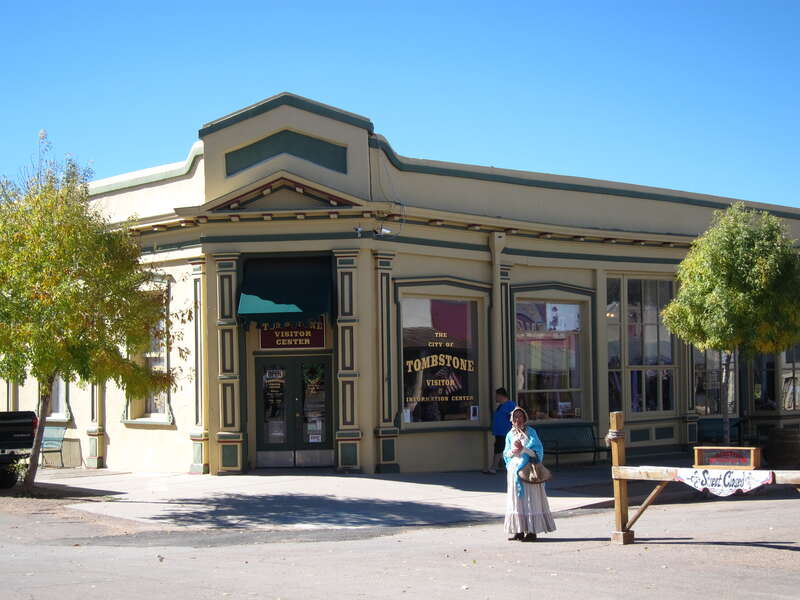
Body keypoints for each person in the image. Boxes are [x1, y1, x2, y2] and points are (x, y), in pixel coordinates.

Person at [503, 406, 556, 541]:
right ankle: (519, 530)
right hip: (514, 472)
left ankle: (532, 532)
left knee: (530, 500)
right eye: (515, 417)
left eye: (520, 416)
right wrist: (513, 452)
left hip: (529, 471)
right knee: (517, 501)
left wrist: (524, 449)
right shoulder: (510, 434)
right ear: (512, 420)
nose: (517, 419)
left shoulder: (531, 433)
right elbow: (506, 454)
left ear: (524, 418)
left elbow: (537, 454)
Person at [483, 388, 516, 474]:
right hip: (499, 432)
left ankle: (494, 467)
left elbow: (514, 417)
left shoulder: (510, 405)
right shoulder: (501, 405)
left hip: (505, 432)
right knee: (499, 449)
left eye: (496, 396)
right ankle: (498, 466)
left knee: (499, 449)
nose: (495, 398)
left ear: (501, 396)